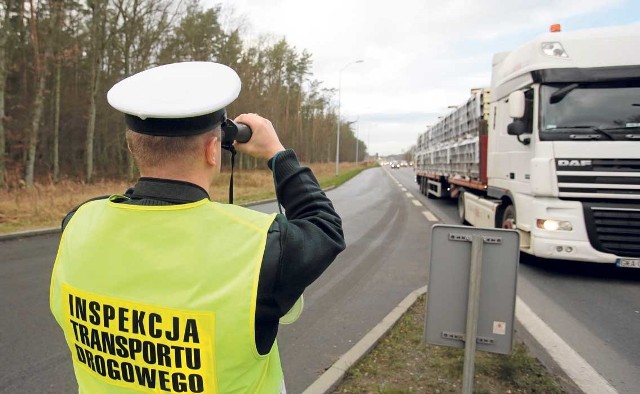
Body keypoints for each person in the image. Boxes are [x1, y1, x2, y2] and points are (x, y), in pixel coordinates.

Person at [50, 62, 346, 393]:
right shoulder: (261, 247)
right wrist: (276, 154)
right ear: (211, 151)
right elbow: (324, 226)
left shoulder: (78, 223)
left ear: (132, 146)